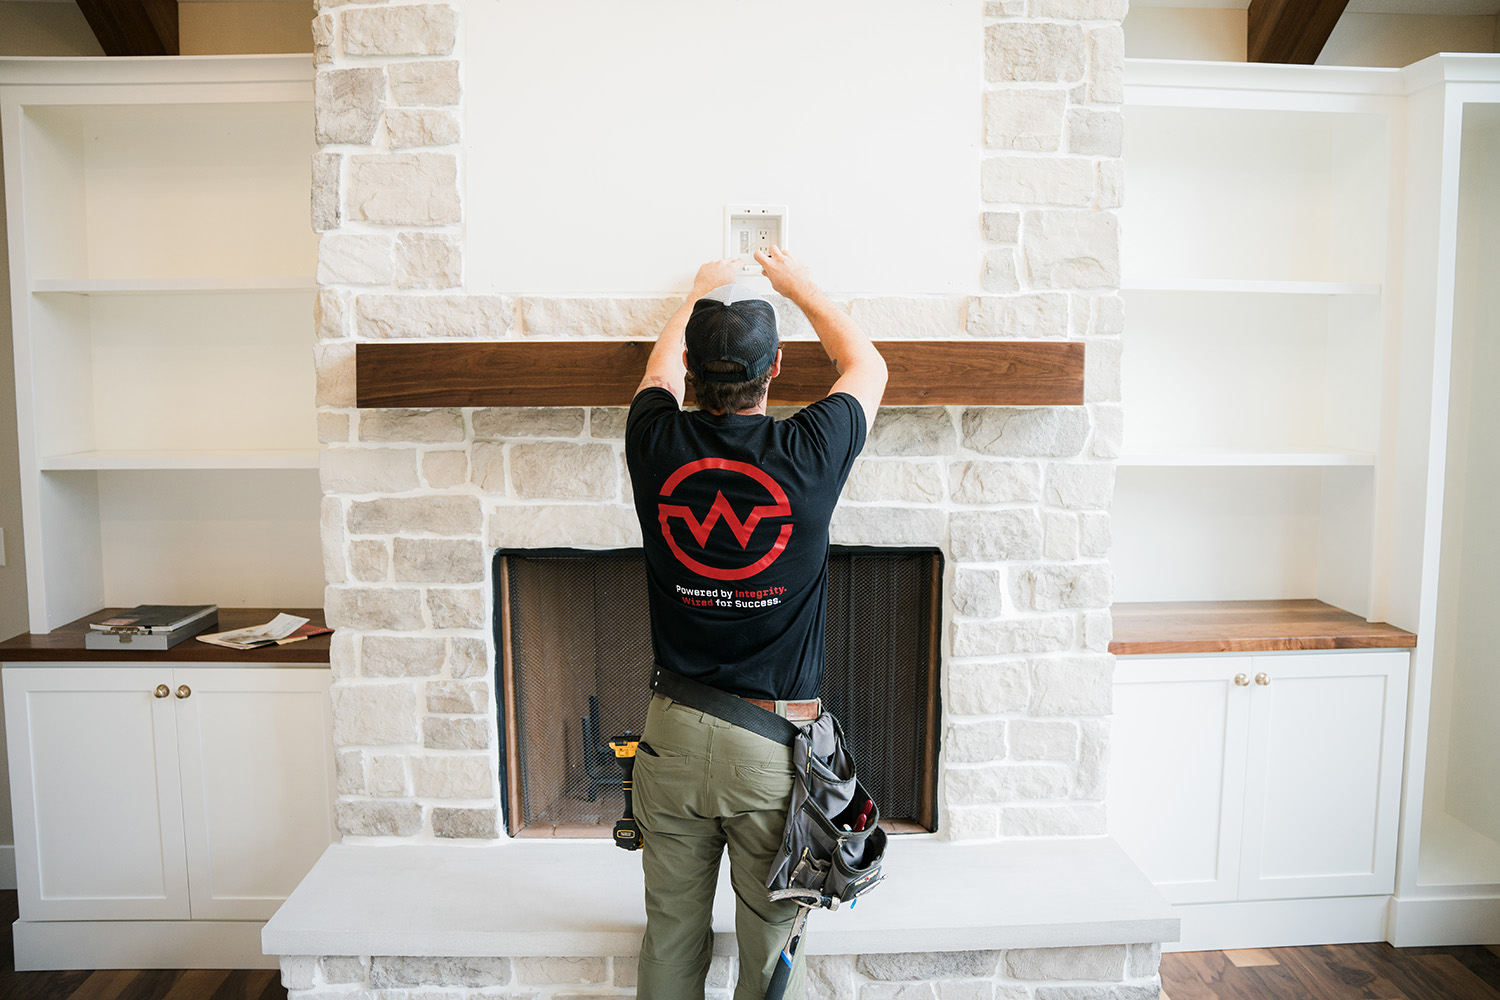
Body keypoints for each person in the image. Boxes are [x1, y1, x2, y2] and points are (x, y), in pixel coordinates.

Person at [623, 246, 887, 1000]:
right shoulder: (810, 450)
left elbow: (655, 375)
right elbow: (866, 364)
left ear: (695, 379)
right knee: (769, 955)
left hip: (669, 735)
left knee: (671, 934)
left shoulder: (654, 440)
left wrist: (697, 293)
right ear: (775, 371)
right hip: (771, 758)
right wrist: (798, 283)